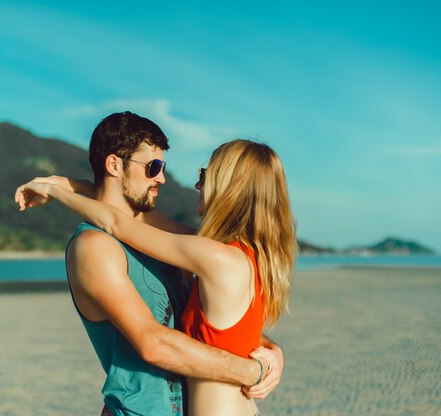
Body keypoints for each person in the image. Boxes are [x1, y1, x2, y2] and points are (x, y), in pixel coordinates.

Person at [15, 112, 287, 416]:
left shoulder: (198, 248)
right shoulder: (96, 246)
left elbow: (119, 218)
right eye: (153, 167)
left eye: (163, 167)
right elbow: (155, 344)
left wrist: (272, 352)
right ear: (114, 165)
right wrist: (254, 371)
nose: (162, 177)